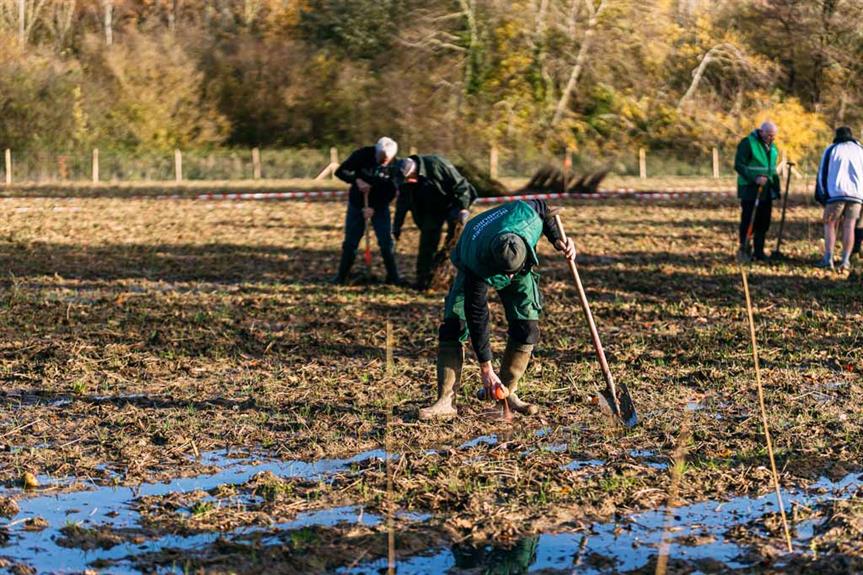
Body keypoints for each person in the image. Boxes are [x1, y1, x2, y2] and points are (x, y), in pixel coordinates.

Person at [418, 199, 576, 421]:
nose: (508, 279)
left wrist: (559, 239)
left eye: (511, 273)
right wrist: (486, 369)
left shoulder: (526, 218)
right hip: (478, 249)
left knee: (527, 325)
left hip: (515, 255)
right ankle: (445, 401)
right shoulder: (477, 260)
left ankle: (507, 393)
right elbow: (477, 315)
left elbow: (544, 207)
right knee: (455, 323)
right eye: (505, 274)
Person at [392, 155, 477, 290]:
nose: (408, 182)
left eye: (409, 179)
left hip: (454, 201)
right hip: (430, 208)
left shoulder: (437, 165)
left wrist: (463, 208)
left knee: (454, 241)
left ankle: (454, 277)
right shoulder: (404, 182)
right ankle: (424, 280)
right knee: (427, 241)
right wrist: (396, 227)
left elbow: (461, 185)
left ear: (413, 171)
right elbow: (402, 204)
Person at [332, 137, 402, 284]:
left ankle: (393, 277)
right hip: (357, 204)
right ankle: (341, 277)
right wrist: (356, 180)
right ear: (376, 152)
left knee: (386, 242)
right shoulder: (362, 155)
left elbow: (391, 192)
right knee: (350, 242)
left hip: (380, 207)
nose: (384, 162)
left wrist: (373, 209)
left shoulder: (396, 166)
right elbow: (340, 171)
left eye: (387, 160)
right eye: (381, 158)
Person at [814, 126, 863, 271]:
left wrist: (822, 195)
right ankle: (845, 261)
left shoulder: (831, 149)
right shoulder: (860, 150)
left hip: (836, 193)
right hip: (857, 195)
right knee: (850, 227)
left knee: (829, 225)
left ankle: (828, 259)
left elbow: (822, 173)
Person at [734, 121, 781, 262]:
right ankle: (745, 249)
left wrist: (776, 189)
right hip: (750, 189)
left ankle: (759, 251)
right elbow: (739, 165)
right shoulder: (747, 143)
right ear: (761, 132)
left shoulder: (773, 148)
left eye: (774, 136)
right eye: (769, 135)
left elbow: (772, 170)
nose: (771, 138)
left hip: (766, 190)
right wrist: (755, 178)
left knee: (763, 221)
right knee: (749, 220)